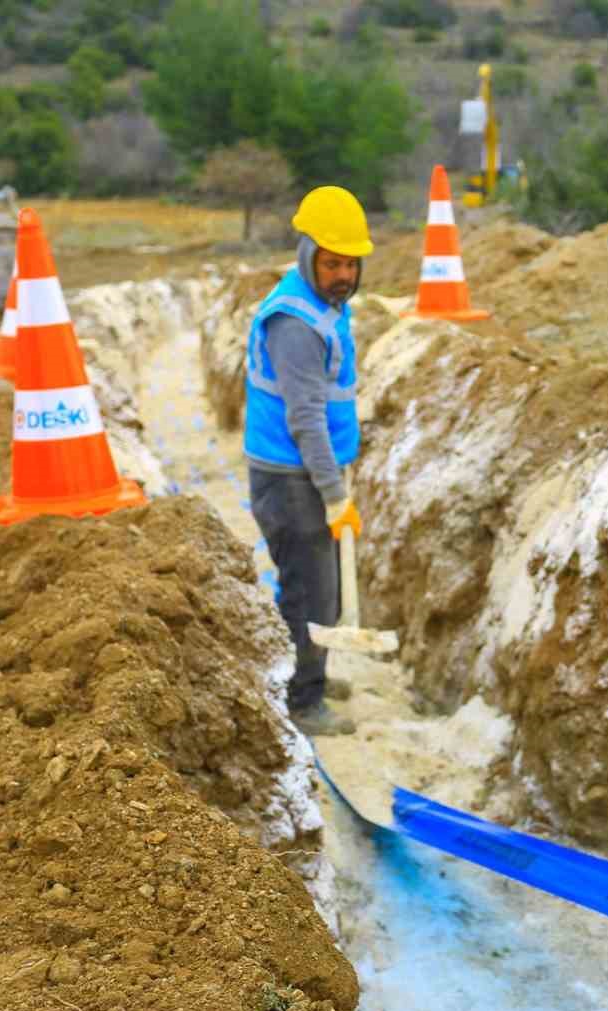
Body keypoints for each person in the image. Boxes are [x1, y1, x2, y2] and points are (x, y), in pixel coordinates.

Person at [245, 186, 374, 737]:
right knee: (310, 592)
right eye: (331, 263)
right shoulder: (296, 323)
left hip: (306, 472)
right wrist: (334, 494)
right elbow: (305, 418)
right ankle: (303, 699)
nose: (342, 274)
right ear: (307, 257)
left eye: (350, 263)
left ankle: (308, 670)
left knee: (317, 586)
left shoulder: (323, 305)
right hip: (291, 477)